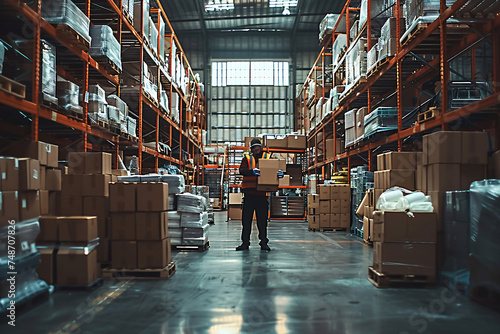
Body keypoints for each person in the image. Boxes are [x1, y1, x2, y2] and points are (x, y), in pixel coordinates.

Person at [236, 138, 284, 251]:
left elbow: (277, 168)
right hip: (249, 195)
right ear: (251, 149)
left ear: (261, 147)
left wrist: (280, 173)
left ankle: (263, 242)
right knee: (246, 221)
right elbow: (241, 170)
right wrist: (251, 171)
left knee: (262, 221)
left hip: (262, 195)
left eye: (258, 147)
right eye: (254, 147)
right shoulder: (247, 159)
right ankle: (245, 243)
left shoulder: (268, 158)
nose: (256, 149)